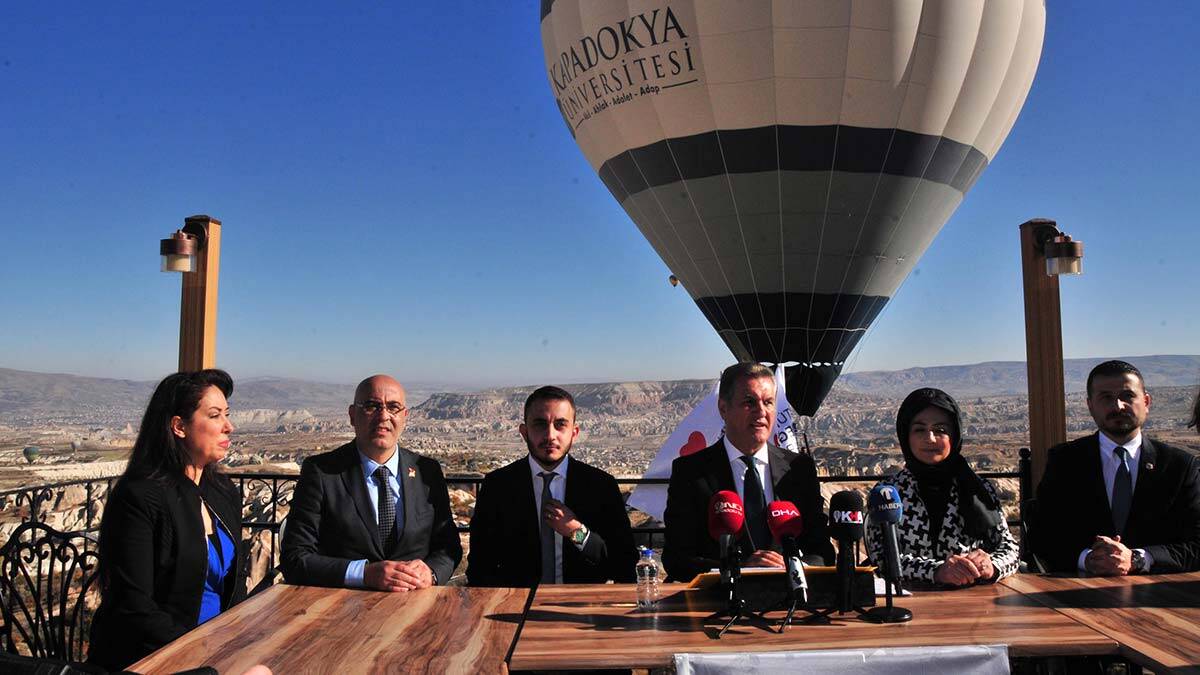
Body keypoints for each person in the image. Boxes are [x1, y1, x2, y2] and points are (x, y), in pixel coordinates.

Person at [88, 369, 247, 670]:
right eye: (214, 416)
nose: (229, 426)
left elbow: (235, 582)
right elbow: (134, 606)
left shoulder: (222, 492)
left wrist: (235, 639)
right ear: (179, 426)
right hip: (154, 656)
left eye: (227, 414)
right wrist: (201, 652)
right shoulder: (140, 496)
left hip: (215, 650)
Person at [281, 374, 462, 589]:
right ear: (352, 415)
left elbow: (448, 546)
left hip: (416, 608)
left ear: (405, 416)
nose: (383, 416)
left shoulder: (427, 471)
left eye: (393, 407)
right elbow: (295, 557)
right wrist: (363, 574)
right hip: (341, 610)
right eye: (371, 406)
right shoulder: (322, 472)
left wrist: (431, 572)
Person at [663, 363, 834, 582]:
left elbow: (822, 550)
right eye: (749, 402)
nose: (761, 412)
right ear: (723, 408)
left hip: (790, 602)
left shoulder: (799, 470)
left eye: (768, 402)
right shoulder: (691, 473)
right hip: (720, 606)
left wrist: (796, 566)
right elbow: (677, 559)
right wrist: (739, 569)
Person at [1031, 360, 1200, 575]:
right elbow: (1041, 535)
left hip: (1158, 595)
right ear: (1090, 405)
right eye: (1106, 398)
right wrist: (1087, 559)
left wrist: (1138, 559)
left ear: (1146, 402)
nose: (1118, 406)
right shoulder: (1065, 462)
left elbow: (1196, 545)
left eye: (1127, 396)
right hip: (1078, 594)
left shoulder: (1179, 466)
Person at [467, 386, 637, 586]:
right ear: (524, 432)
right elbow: (480, 565)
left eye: (560, 425)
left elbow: (623, 562)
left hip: (580, 606)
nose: (550, 435)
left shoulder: (600, 486)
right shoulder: (498, 486)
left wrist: (577, 532)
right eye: (540, 424)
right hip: (515, 605)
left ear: (574, 433)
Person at [866, 388, 1019, 587]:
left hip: (975, 605)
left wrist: (992, 565)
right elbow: (881, 558)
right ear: (906, 436)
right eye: (919, 429)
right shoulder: (888, 493)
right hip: (910, 604)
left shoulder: (978, 489)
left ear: (954, 436)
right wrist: (936, 572)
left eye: (940, 430)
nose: (930, 438)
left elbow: (1009, 548)